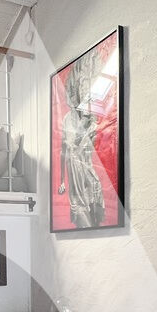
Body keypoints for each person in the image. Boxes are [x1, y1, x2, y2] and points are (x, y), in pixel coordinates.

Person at [57, 59, 105, 228]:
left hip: (89, 176)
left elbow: (85, 144)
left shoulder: (91, 119)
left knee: (96, 224)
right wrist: (62, 180)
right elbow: (64, 150)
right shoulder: (67, 119)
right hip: (75, 180)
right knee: (83, 221)